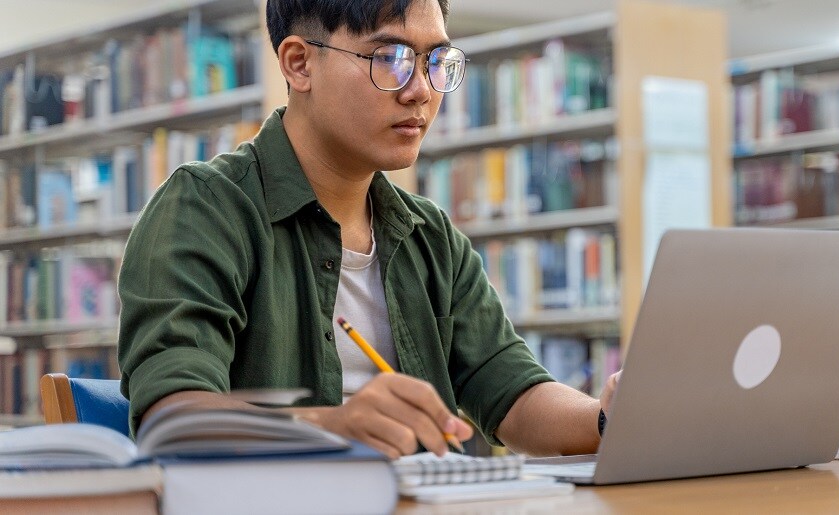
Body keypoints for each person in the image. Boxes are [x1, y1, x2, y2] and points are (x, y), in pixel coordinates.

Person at [117, 0, 620, 460]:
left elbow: (515, 397)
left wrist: (610, 415)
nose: (420, 90)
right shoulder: (205, 209)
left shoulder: (431, 236)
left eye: (434, 61)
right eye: (390, 57)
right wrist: (333, 428)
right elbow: (174, 418)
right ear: (299, 63)